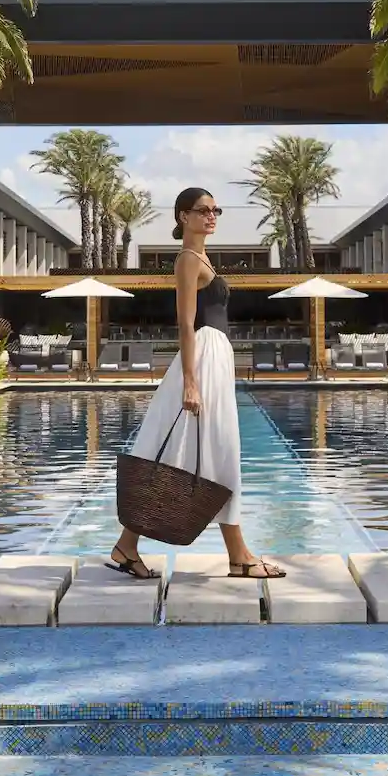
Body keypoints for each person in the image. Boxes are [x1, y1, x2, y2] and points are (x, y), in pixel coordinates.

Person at [108, 187, 286, 581]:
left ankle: (128, 545)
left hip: (215, 358)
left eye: (215, 209)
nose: (212, 216)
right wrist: (191, 382)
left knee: (185, 453)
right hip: (203, 358)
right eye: (203, 210)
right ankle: (238, 556)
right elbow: (186, 324)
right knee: (207, 451)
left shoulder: (202, 257)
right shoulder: (188, 260)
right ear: (182, 216)